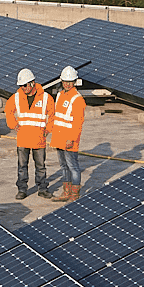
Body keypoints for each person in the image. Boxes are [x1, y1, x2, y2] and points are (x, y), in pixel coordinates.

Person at [5, 67, 52, 199]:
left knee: (41, 167)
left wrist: (47, 130)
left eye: (25, 85)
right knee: (22, 166)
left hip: (39, 138)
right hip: (23, 138)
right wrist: (13, 125)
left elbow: (52, 115)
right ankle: (22, 190)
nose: (23, 88)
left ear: (32, 83)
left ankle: (42, 188)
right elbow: (8, 111)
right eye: (21, 86)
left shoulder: (46, 97)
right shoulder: (17, 97)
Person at [50, 64, 88, 200]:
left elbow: (78, 123)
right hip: (58, 138)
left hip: (69, 139)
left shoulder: (78, 100)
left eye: (70, 81)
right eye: (65, 81)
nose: (67, 84)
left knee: (73, 166)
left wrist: (71, 139)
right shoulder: (59, 95)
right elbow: (56, 116)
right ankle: (66, 192)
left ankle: (74, 194)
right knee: (64, 166)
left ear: (75, 82)